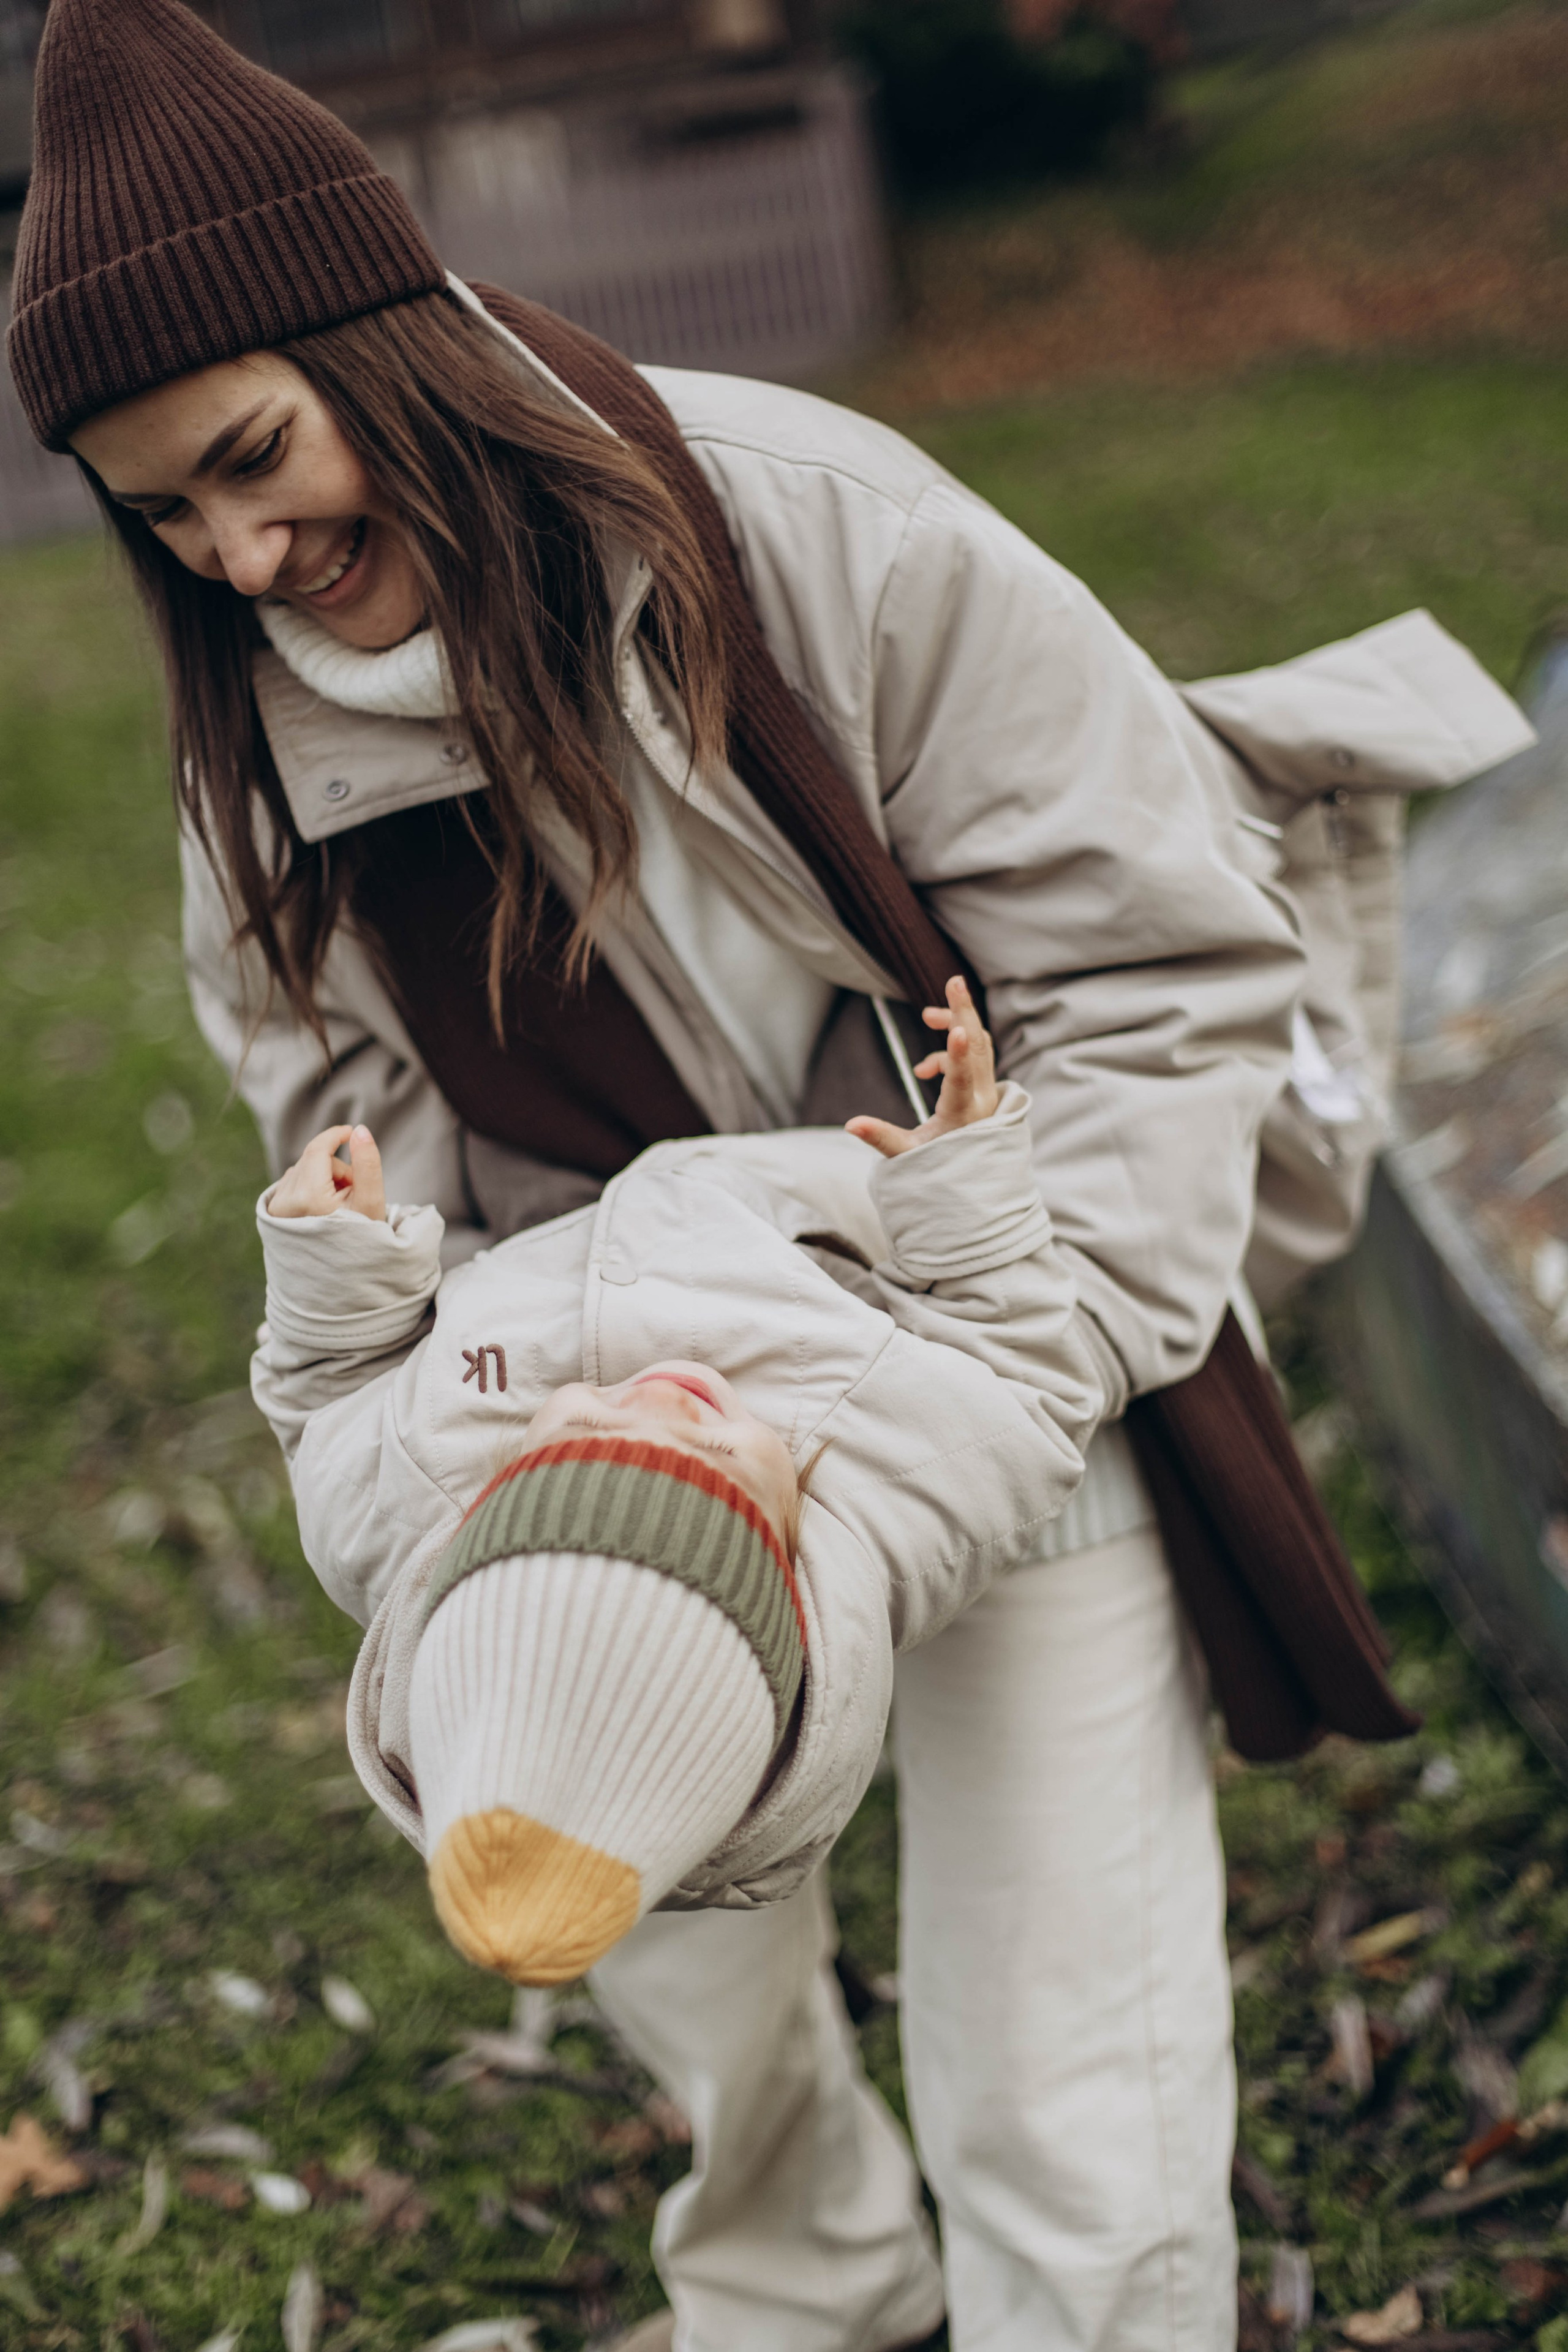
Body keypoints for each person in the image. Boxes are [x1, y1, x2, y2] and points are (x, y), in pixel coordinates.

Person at [7, 3, 1532, 2343]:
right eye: (165, 519)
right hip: (607, 1353)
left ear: (387, 338)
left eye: (251, 458)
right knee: (616, 1857)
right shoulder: (263, 742)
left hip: (988, 1290)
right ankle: (808, 2279)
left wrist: (1004, 1368)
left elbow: (1155, 975)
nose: (238, 553)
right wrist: (438, 1361)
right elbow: (349, 1126)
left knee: (1065, 2022)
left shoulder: (822, 528)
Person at [249, 984, 1106, 1994]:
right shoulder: (903, 1476)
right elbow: (1028, 1381)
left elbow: (328, 1391)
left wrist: (334, 1266)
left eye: (585, 1436)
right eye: (718, 1465)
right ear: (786, 1586)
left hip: (532, 1190)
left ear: (483, 1513)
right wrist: (960, 1177)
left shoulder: (392, 1496)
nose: (659, 1402)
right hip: (843, 1170)